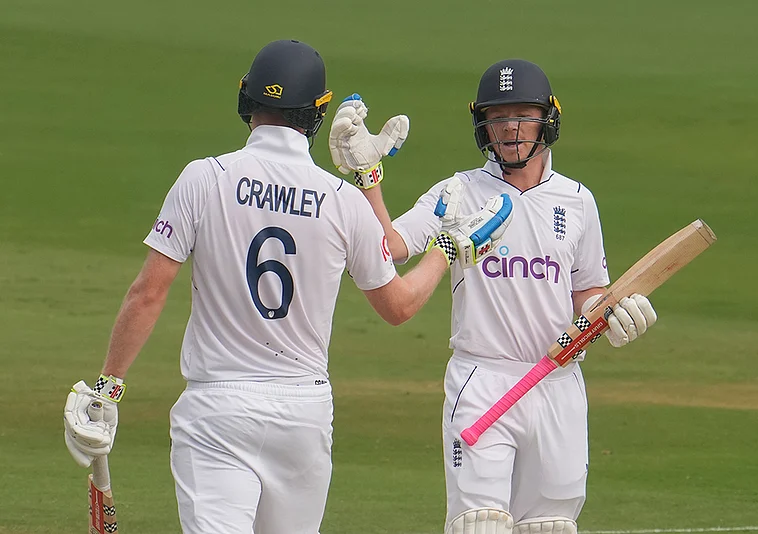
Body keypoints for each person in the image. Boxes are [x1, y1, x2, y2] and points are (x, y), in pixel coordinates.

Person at [62, 40, 514, 534]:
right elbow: (399, 307)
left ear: (246, 100)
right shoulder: (343, 200)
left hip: (218, 409)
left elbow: (147, 292)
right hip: (304, 413)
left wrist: (108, 388)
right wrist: (445, 252)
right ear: (317, 113)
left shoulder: (204, 178)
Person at [328, 60, 659, 534]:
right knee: (477, 525)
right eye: (497, 118)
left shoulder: (578, 201)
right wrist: (368, 178)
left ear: (548, 119)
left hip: (556, 382)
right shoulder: (459, 190)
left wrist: (612, 314)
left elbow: (588, 292)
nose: (509, 129)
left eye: (523, 115)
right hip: (482, 379)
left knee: (550, 526)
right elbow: (394, 247)